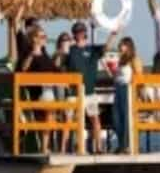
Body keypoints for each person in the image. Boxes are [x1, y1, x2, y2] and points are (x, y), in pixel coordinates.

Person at [66, 21, 116, 154]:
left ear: (84, 33)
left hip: (89, 92)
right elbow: (61, 64)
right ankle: (64, 148)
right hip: (74, 92)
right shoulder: (70, 50)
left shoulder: (92, 49)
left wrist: (112, 35)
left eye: (81, 31)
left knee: (95, 119)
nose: (79, 34)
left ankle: (98, 147)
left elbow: (106, 48)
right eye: (77, 32)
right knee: (69, 121)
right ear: (74, 34)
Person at [19, 26, 60, 153]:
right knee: (48, 116)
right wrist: (32, 54)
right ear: (34, 39)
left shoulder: (45, 53)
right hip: (37, 91)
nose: (45, 39)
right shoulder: (27, 52)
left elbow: (54, 69)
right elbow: (23, 69)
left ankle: (45, 146)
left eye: (45, 36)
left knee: (51, 117)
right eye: (42, 37)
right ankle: (44, 147)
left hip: (48, 91)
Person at [112, 37, 143, 154]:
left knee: (126, 118)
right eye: (120, 44)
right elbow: (117, 75)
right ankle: (122, 143)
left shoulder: (134, 59)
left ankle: (126, 145)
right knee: (116, 117)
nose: (120, 46)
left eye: (123, 44)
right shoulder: (121, 59)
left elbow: (139, 75)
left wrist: (137, 91)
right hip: (118, 88)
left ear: (128, 46)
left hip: (128, 88)